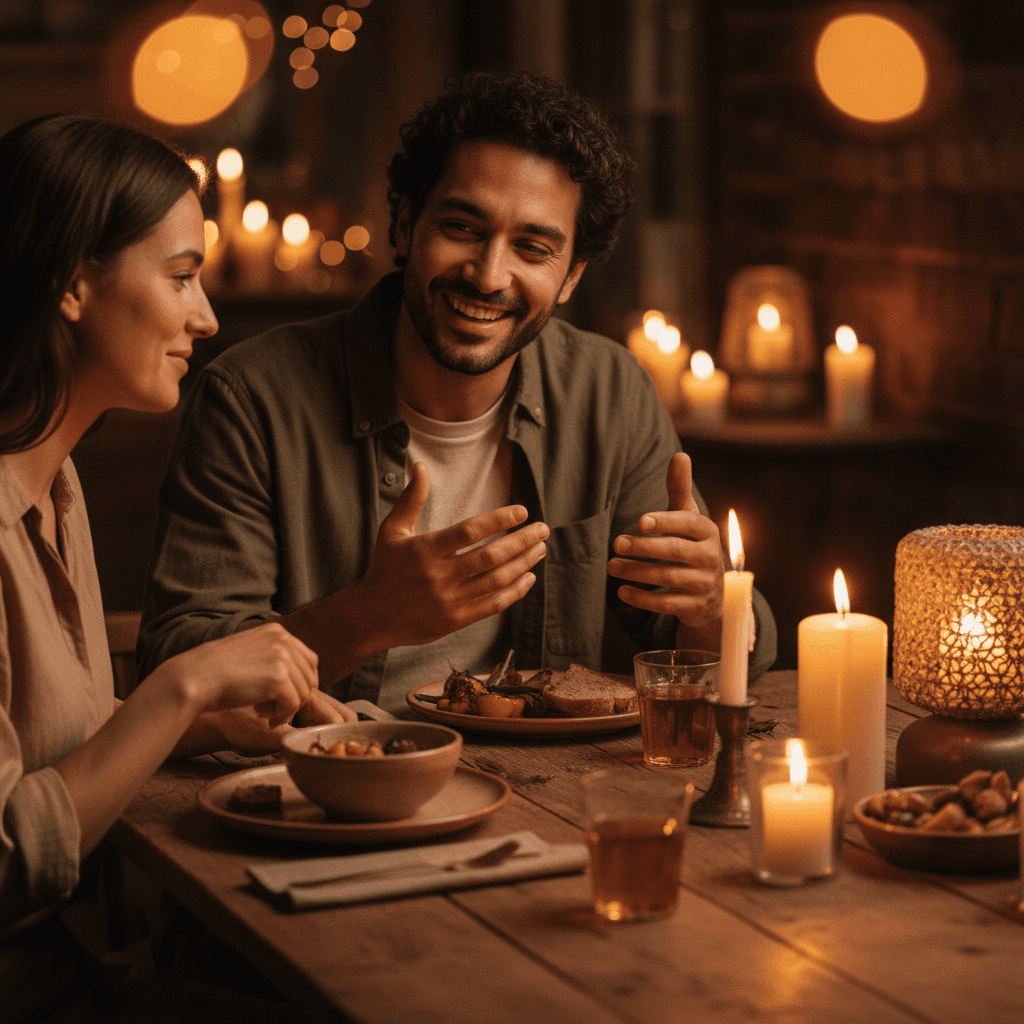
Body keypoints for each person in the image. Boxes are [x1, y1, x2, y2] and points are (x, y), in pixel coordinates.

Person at [138, 69, 776, 714]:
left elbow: (710, 652)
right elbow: (178, 665)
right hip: (324, 784)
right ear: (406, 222)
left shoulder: (608, 392)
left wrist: (710, 607)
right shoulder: (252, 399)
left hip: (541, 791)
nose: (489, 274)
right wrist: (369, 616)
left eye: (532, 247)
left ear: (570, 277)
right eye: (463, 229)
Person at [0, 113, 355, 1023]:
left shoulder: (55, 484)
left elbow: (52, 751)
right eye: (182, 276)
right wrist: (181, 685)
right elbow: (8, 858)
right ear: (74, 284)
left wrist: (202, 723)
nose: (206, 315)